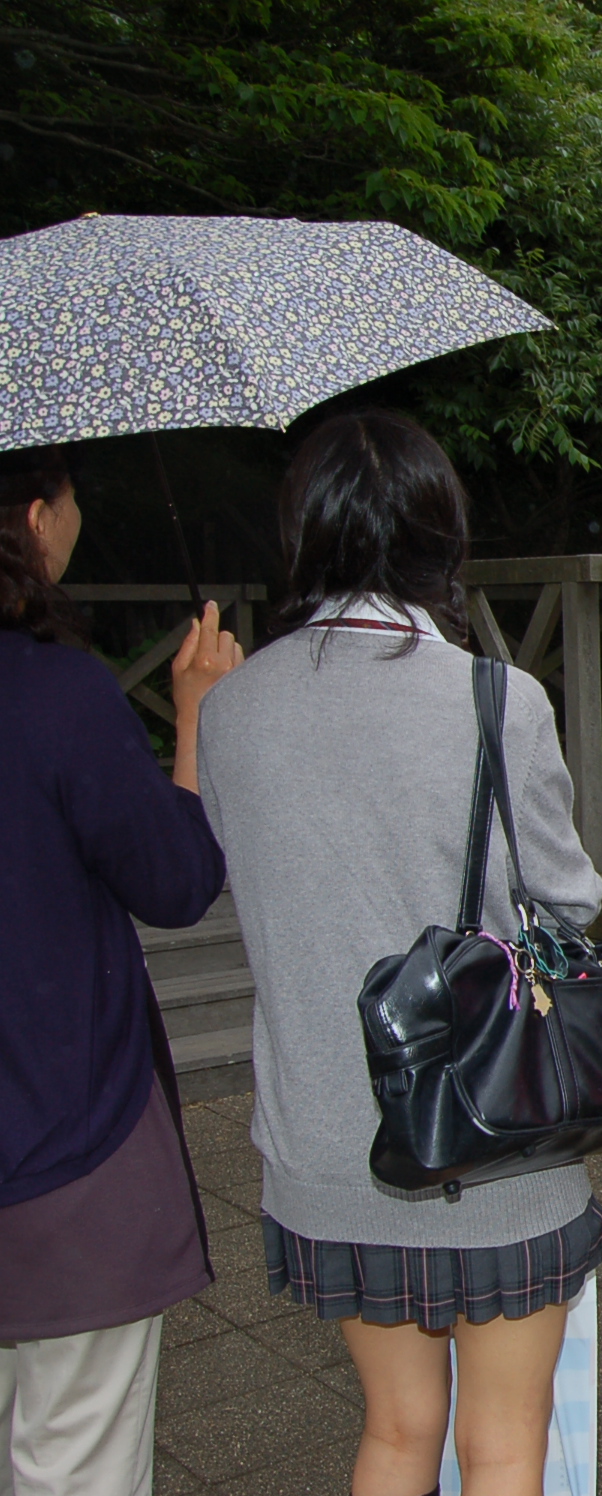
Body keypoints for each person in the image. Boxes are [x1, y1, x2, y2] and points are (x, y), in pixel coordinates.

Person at [193, 411, 602, 1496]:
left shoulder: (229, 711)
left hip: (330, 1143)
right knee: (505, 1442)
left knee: (396, 1425)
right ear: (440, 536)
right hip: (492, 1136)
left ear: (306, 536)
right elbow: (569, 900)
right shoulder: (496, 698)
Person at [0, 446, 237, 1496]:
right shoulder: (55, 692)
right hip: (62, 1151)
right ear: (39, 515)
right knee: (71, 1460)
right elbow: (177, 877)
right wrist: (194, 715)